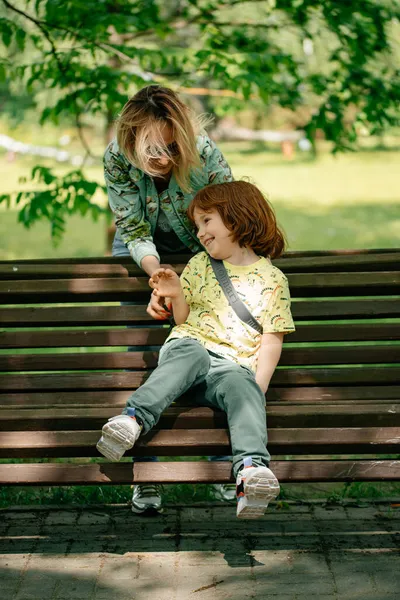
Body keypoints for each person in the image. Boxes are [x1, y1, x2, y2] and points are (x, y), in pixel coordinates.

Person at [97, 180, 295, 519]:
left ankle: (250, 473)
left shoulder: (272, 279)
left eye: (207, 221)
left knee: (240, 382)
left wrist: (255, 388)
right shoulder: (201, 265)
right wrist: (176, 294)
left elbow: (272, 338)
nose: (200, 233)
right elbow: (183, 320)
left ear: (237, 217)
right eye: (197, 225)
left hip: (231, 368)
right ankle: (132, 420)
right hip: (188, 353)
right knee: (193, 352)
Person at [104, 84, 233, 513]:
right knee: (143, 357)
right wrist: (158, 276)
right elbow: (134, 229)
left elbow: (227, 226)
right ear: (131, 138)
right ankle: (147, 475)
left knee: (212, 349)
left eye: (173, 146)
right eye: (153, 148)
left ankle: (222, 466)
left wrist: (190, 283)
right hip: (143, 255)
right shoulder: (116, 158)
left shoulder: (206, 155)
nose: (165, 158)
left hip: (206, 249)